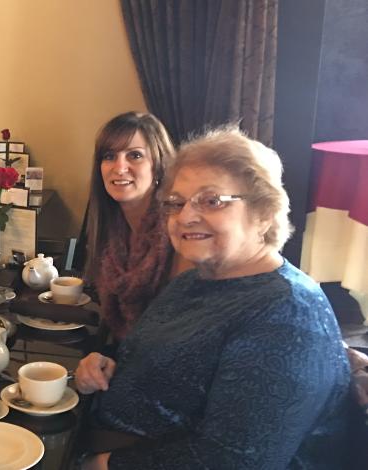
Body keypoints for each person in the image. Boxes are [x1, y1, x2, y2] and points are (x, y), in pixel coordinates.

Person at [75, 127, 350, 469]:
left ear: (264, 212)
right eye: (176, 203)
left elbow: (232, 462)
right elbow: (160, 358)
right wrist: (107, 364)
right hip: (100, 436)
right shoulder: (197, 279)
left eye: (212, 200)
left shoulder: (286, 314)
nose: (185, 216)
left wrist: (100, 465)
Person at [79, 111, 191, 338]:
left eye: (135, 155)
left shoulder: (179, 231)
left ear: (158, 165)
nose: (119, 168)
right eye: (109, 156)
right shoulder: (111, 228)